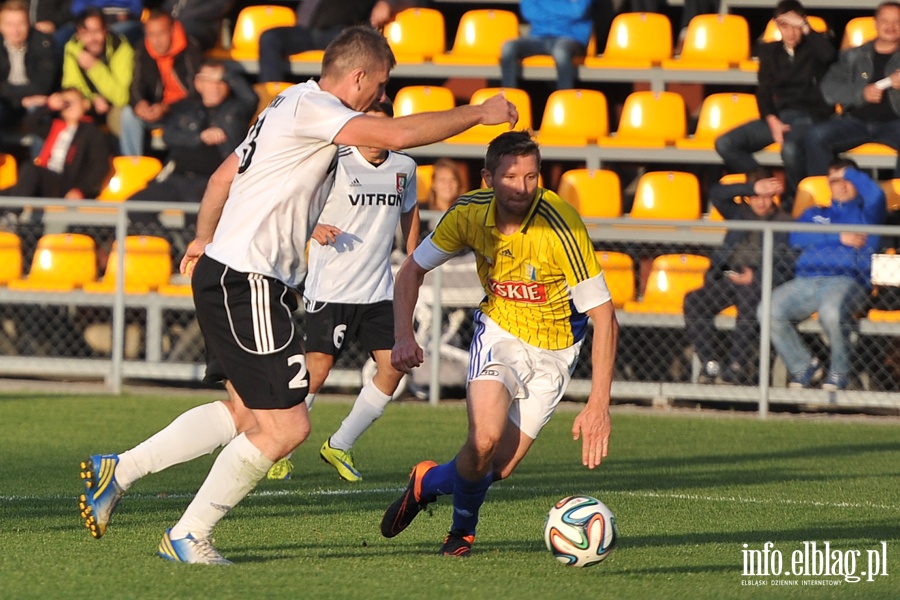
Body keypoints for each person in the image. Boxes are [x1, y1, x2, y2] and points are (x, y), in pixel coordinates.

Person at [77, 25, 518, 565]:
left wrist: (202, 237)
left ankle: (118, 470)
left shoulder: (285, 101)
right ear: (357, 77)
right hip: (248, 281)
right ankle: (188, 534)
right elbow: (394, 137)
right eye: (379, 85)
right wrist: (477, 113)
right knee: (289, 426)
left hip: (234, 275)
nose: (381, 97)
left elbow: (222, 176)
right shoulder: (313, 106)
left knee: (245, 414)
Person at [380, 131, 617, 557]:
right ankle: (461, 532)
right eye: (511, 177)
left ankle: (425, 482)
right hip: (501, 332)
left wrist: (599, 403)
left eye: (531, 177)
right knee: (484, 439)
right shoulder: (468, 213)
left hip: (556, 350)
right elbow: (411, 270)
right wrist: (402, 335)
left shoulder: (560, 224)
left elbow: (604, 315)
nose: (522, 188)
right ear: (488, 178)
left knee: (498, 468)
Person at [266, 99, 419, 482]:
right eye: (366, 128)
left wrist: (415, 257)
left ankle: (340, 443)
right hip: (331, 286)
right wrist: (313, 227)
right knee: (317, 370)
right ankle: (279, 447)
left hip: (377, 290)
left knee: (393, 368)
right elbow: (293, 198)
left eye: (381, 130)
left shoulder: (405, 167)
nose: (373, 138)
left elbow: (410, 211)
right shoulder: (336, 158)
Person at [763, 158, 886, 391]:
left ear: (856, 181)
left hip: (847, 280)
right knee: (767, 310)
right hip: (806, 281)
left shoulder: (867, 213)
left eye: (846, 180)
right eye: (834, 181)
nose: (841, 186)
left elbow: (877, 196)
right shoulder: (814, 214)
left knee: (830, 313)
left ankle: (840, 373)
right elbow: (796, 238)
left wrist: (851, 173)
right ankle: (804, 367)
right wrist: (837, 237)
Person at [715, 0, 834, 210]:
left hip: (809, 116)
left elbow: (830, 56)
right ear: (778, 27)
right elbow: (763, 93)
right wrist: (772, 120)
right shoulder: (769, 51)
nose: (791, 33)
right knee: (725, 143)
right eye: (784, 26)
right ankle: (767, 183)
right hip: (779, 116)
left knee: (790, 149)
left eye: (795, 26)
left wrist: (806, 27)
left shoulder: (815, 48)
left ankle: (795, 203)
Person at [684, 169, 794, 385]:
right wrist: (751, 187)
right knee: (693, 300)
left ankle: (737, 366)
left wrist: (757, 276)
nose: (761, 202)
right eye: (756, 196)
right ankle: (710, 365)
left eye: (766, 197)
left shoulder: (784, 222)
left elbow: (786, 266)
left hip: (759, 282)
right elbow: (716, 193)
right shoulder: (739, 214)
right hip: (728, 276)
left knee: (748, 297)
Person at [127, 59, 257, 236]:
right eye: (210, 81)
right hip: (176, 178)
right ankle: (170, 248)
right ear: (198, 83)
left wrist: (226, 73)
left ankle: (191, 257)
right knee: (134, 206)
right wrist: (199, 137)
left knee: (198, 217)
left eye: (221, 81)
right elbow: (168, 136)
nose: (216, 86)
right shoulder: (185, 107)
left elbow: (251, 97)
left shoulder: (236, 110)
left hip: (210, 180)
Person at [806, 2, 900, 178]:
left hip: (894, 123)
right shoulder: (854, 55)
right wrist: (861, 93)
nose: (891, 27)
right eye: (885, 21)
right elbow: (829, 89)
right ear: (876, 23)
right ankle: (823, 198)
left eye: (897, 22)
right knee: (815, 136)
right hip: (855, 121)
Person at [257, 0, 414, 83]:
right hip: (307, 32)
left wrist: (387, 3)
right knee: (270, 37)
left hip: (343, 32)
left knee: (357, 44)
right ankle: (272, 99)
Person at [119, 10, 203, 156]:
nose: (156, 40)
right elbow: (136, 84)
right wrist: (139, 103)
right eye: (151, 34)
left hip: (184, 110)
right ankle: (133, 166)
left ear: (172, 30)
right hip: (156, 110)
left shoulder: (190, 48)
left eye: (161, 33)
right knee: (128, 115)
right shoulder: (143, 49)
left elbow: (197, 93)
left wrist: (167, 107)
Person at [61, 8, 133, 146]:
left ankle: (124, 162)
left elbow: (122, 97)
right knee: (68, 109)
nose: (92, 38)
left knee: (123, 116)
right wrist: (92, 100)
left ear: (105, 30)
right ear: (78, 35)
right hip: (88, 104)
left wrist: (94, 67)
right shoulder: (72, 49)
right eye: (85, 33)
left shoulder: (121, 49)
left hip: (114, 106)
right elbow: (71, 87)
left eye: (96, 32)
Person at [500, 0, 593, 91]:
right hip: (538, 37)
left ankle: (564, 95)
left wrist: (545, 6)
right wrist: (564, 12)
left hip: (571, 38)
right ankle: (508, 98)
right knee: (509, 47)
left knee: (560, 51)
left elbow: (578, 11)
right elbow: (528, 11)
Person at [0, 0, 57, 130]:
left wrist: (18, 97)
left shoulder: (43, 42)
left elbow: (42, 85)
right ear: (0, 26)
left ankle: (41, 151)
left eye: (21, 23)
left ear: (29, 24)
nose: (15, 30)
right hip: (6, 102)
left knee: (40, 111)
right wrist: (20, 100)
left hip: (35, 101)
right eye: (9, 24)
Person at [163, 0, 233, 52]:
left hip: (200, 28)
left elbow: (220, 6)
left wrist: (187, 15)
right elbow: (167, 8)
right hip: (174, 27)